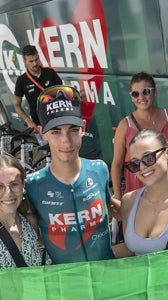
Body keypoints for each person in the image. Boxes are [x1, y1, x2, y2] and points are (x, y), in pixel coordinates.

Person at [26, 85, 120, 264]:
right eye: (55, 132)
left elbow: (114, 207)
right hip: (66, 283)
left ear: (83, 128)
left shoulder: (99, 169)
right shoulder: (32, 185)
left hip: (107, 275)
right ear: (42, 133)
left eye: (73, 129)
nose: (66, 141)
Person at [111, 72, 168, 200]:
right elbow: (117, 164)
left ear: (155, 92)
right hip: (138, 189)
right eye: (135, 94)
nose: (141, 97)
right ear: (131, 97)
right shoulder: (124, 125)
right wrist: (118, 198)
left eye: (146, 91)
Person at [14, 45, 63, 132]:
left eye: (36, 59)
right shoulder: (21, 80)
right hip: (39, 125)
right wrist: (28, 121)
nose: (35, 64)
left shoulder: (50, 73)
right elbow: (17, 105)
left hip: (57, 120)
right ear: (25, 61)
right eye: (31, 61)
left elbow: (63, 94)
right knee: (44, 146)